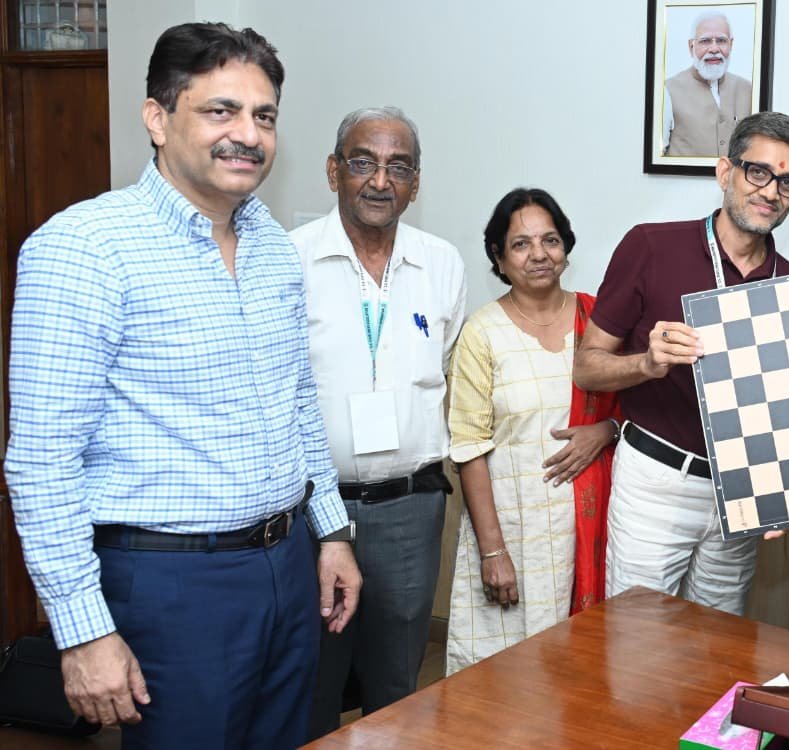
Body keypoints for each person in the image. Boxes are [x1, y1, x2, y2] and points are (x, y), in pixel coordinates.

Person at [5, 22, 361, 749]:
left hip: (286, 567)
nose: (248, 135)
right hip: (169, 584)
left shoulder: (273, 248)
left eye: (263, 116)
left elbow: (298, 402)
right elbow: (41, 461)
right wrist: (83, 631)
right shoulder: (84, 249)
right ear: (158, 118)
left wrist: (330, 534)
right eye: (221, 111)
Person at [575, 112, 789, 615]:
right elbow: (587, 366)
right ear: (725, 172)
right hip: (656, 481)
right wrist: (646, 363)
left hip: (741, 494)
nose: (771, 191)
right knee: (635, 637)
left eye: (788, 181)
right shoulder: (651, 246)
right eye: (758, 172)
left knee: (717, 645)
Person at [293, 106, 465, 737]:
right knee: (313, 677)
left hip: (408, 508)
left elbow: (440, 367)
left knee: (396, 685)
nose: (380, 180)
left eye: (399, 166)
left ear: (416, 183)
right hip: (310, 508)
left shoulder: (441, 262)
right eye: (363, 162)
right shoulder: (289, 259)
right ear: (333, 171)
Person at [446, 188, 621, 674]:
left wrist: (605, 430)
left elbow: (641, 410)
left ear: (566, 247)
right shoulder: (481, 333)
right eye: (521, 244)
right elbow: (468, 448)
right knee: (507, 679)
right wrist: (493, 551)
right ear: (499, 258)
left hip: (592, 531)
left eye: (550, 240)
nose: (539, 254)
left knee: (587, 675)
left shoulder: (600, 322)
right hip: (513, 532)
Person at [663, 11, 752, 157]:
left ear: (731, 44)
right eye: (705, 41)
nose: (714, 49)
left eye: (721, 41)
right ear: (691, 46)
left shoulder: (748, 89)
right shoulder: (667, 90)